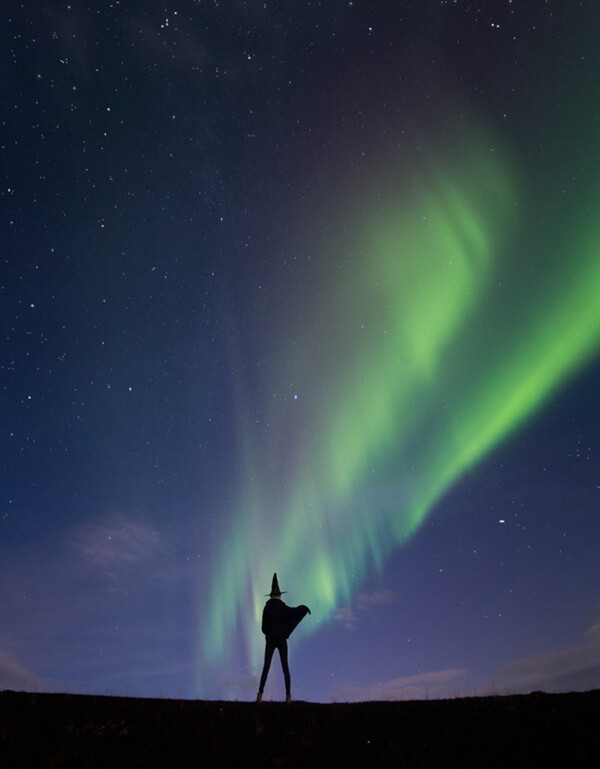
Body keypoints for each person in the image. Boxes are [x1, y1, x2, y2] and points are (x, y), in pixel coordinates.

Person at [256, 573, 311, 703]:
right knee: (285, 667)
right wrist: (303, 608)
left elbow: (263, 628)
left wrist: (269, 633)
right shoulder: (283, 607)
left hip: (270, 639)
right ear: (279, 595)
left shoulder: (266, 608)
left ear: (270, 596)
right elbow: (293, 612)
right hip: (281, 640)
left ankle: (259, 696)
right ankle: (288, 697)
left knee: (266, 667)